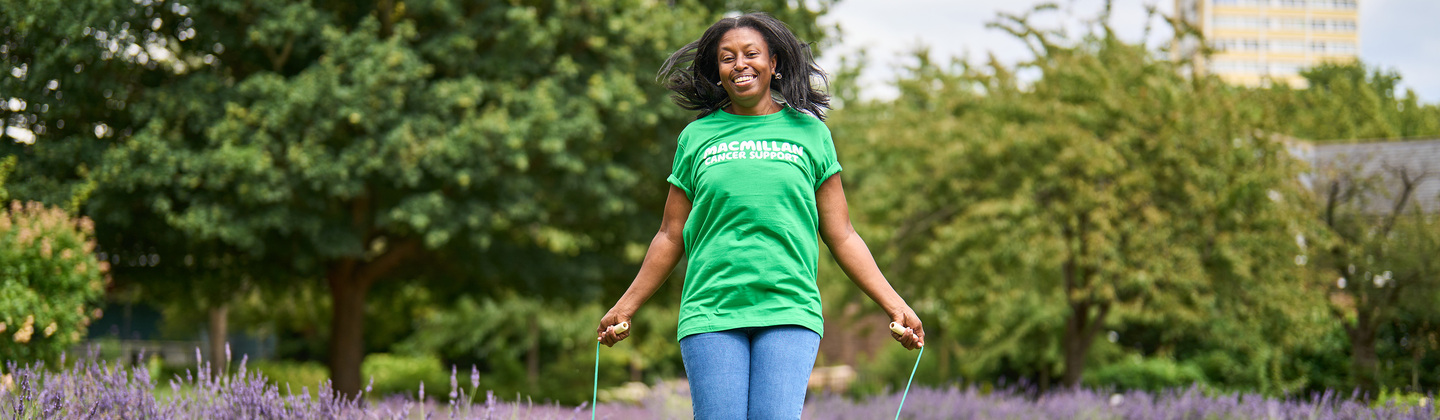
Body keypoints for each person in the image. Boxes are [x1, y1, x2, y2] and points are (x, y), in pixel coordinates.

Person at [596, 12, 924, 419]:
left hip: (788, 307)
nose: (740, 64)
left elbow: (842, 234)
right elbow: (670, 234)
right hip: (712, 308)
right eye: (727, 57)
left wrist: (894, 304)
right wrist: (626, 306)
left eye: (751, 53)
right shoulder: (697, 138)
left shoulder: (810, 133)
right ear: (718, 72)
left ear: (774, 63)